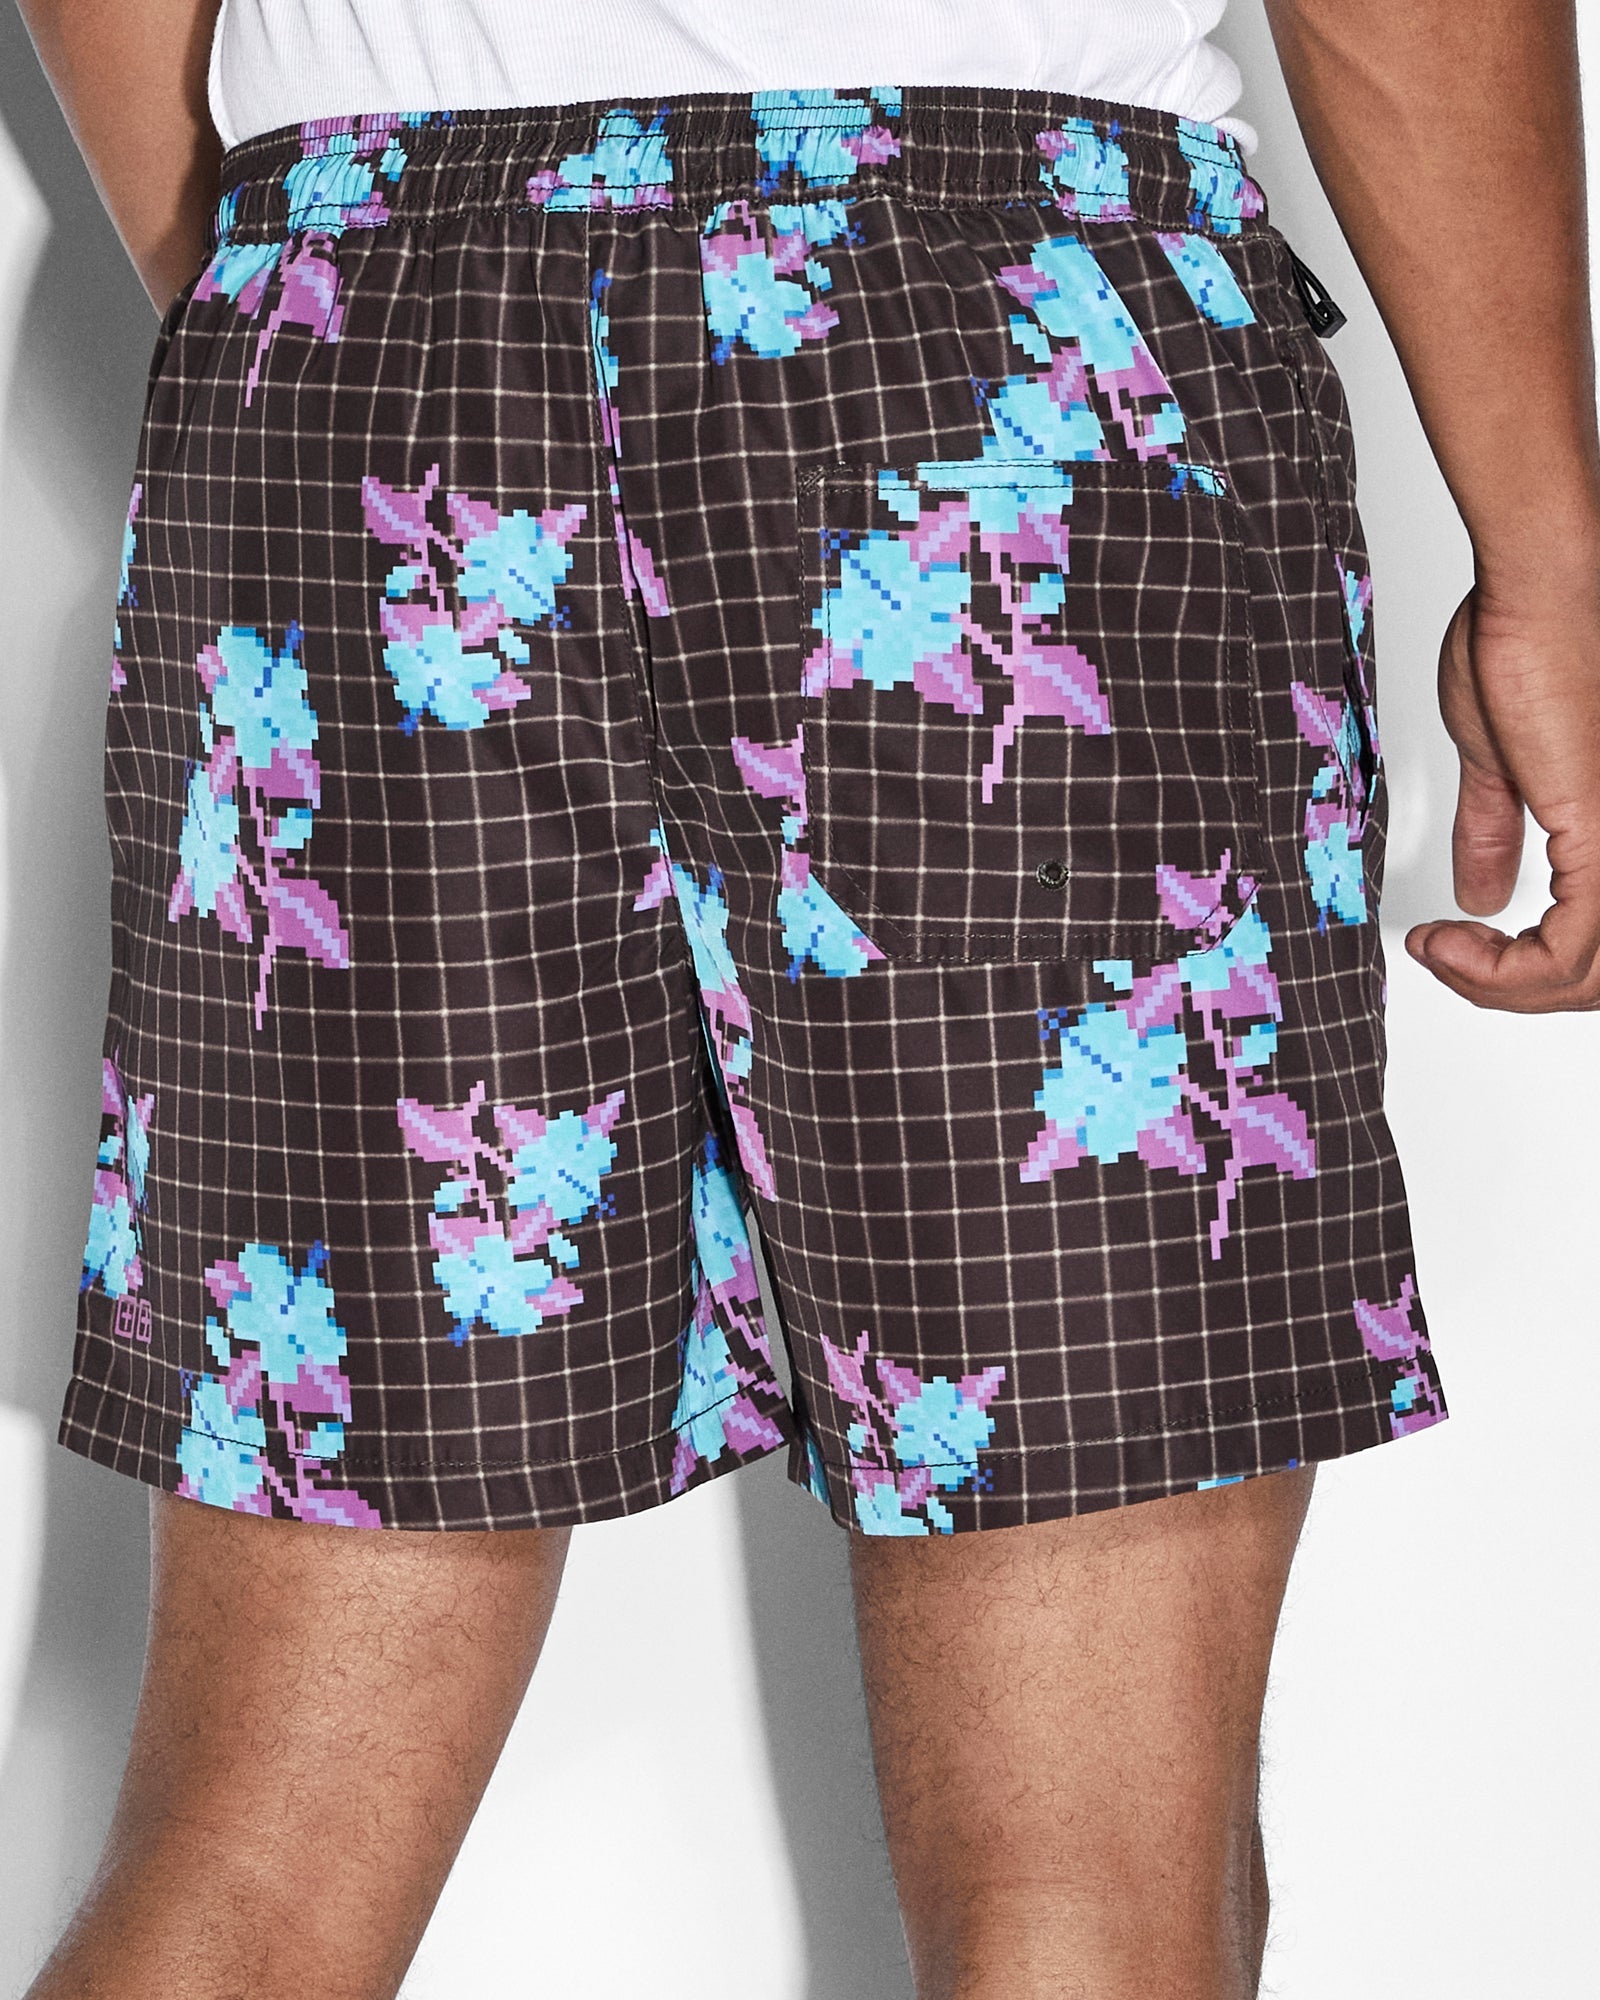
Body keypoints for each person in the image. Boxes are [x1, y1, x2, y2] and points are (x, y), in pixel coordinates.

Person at [13, 0, 1599, 1994]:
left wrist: (310, 304)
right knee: (1081, 1882)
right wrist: (1550, 555)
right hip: (996, 353)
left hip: (360, 351)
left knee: (253, 1870)